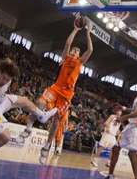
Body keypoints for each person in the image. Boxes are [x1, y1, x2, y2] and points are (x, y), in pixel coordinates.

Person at [18, 20, 93, 163]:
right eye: (74, 50)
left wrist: (88, 33)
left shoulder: (80, 62)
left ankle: (46, 147)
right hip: (56, 88)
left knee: (56, 122)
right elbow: (67, 44)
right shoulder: (65, 58)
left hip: (67, 94)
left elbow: (90, 51)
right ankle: (28, 128)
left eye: (77, 51)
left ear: (79, 55)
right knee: (40, 102)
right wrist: (76, 30)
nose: (75, 51)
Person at [0, 59, 55, 172]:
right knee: (5, 137)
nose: (5, 81)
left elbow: (7, 62)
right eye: (3, 77)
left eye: (8, 80)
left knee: (24, 100)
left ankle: (41, 115)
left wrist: (8, 62)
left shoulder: (6, 75)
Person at [96, 81, 137, 179]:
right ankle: (110, 177)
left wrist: (123, 117)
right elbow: (135, 110)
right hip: (131, 126)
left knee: (133, 154)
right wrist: (123, 108)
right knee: (116, 147)